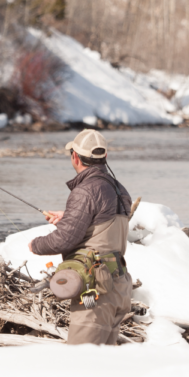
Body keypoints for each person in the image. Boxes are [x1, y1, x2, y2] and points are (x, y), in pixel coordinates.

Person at [28, 129, 133, 345]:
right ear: (105, 157)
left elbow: (64, 240)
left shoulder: (85, 190)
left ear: (75, 156)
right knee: (105, 363)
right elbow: (105, 220)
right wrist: (70, 216)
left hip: (95, 293)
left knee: (81, 363)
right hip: (119, 287)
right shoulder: (119, 189)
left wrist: (35, 245)